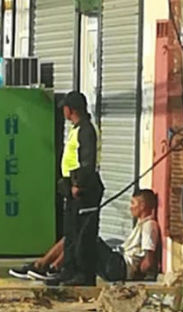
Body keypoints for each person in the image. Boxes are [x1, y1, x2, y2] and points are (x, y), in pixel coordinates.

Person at [9, 190, 160, 283]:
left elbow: (148, 260)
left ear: (143, 206)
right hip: (116, 264)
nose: (130, 207)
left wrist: (137, 276)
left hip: (120, 268)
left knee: (88, 238)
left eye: (133, 203)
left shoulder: (149, 226)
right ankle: (44, 266)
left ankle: (54, 268)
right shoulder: (141, 224)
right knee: (74, 236)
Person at [52, 91, 104, 286]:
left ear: (71, 109)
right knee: (72, 232)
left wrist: (77, 184)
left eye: (65, 108)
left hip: (84, 190)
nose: (63, 111)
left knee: (84, 234)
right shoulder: (77, 129)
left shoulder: (86, 130)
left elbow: (87, 162)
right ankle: (69, 269)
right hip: (71, 188)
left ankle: (83, 274)